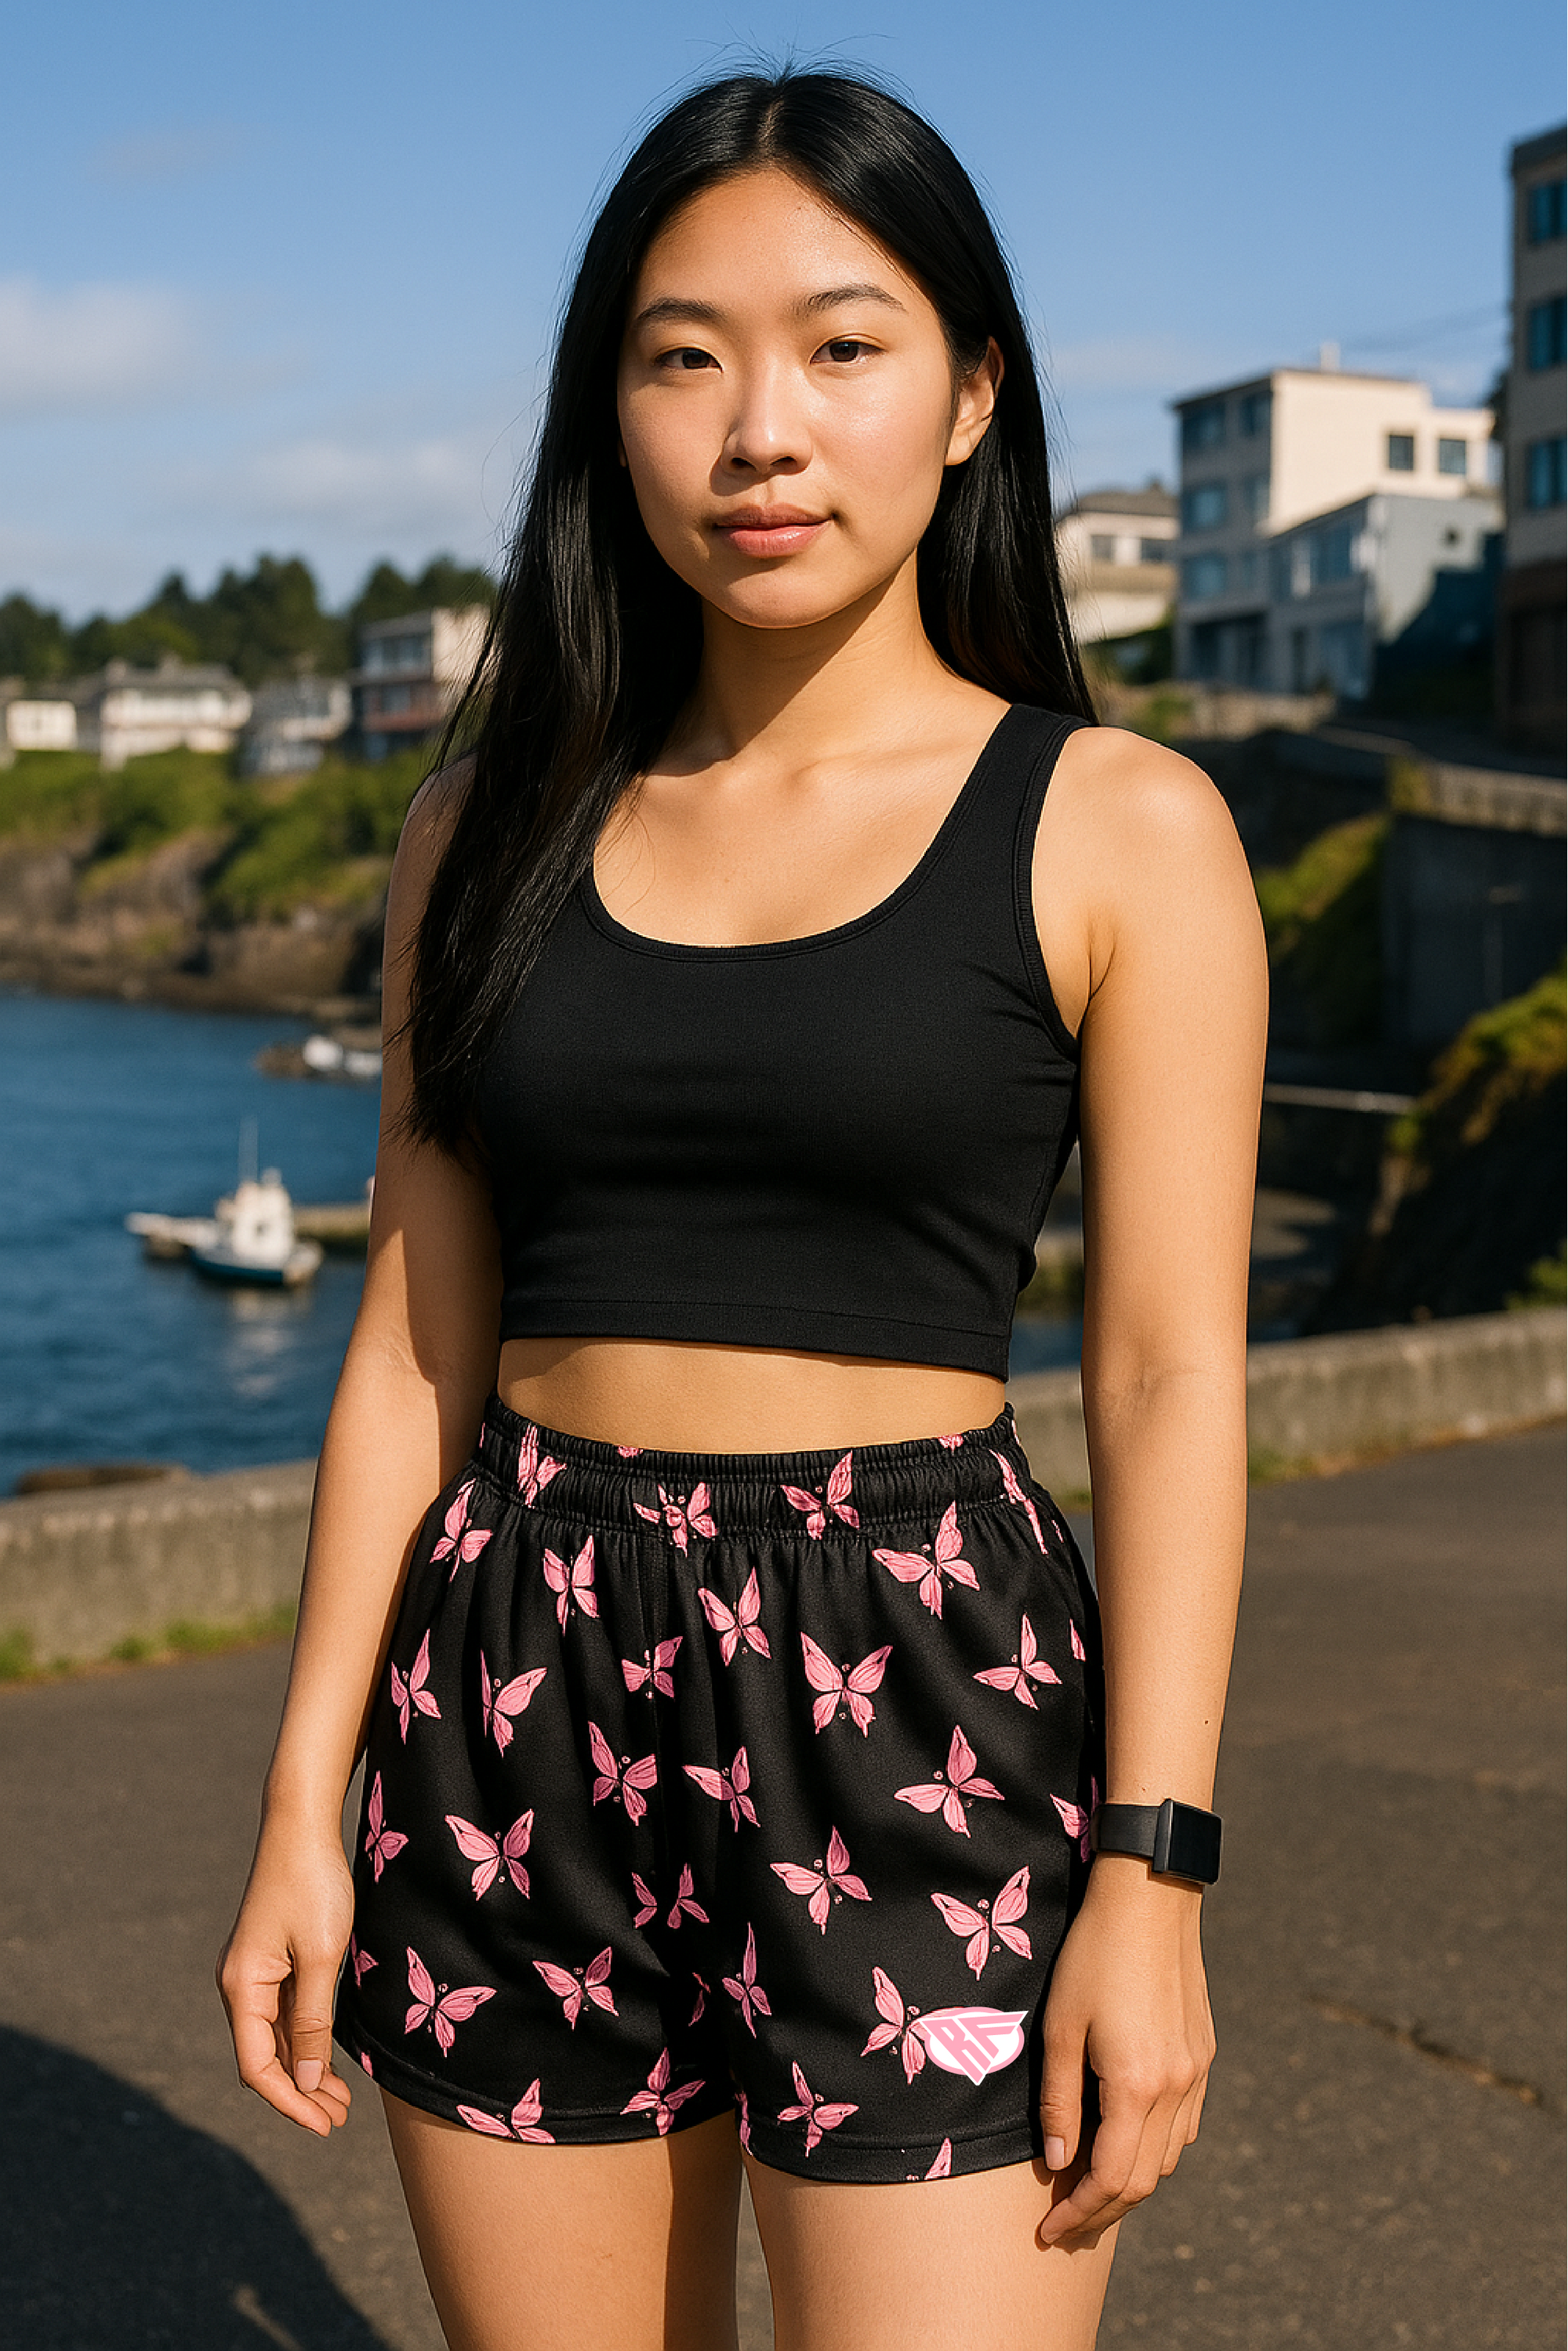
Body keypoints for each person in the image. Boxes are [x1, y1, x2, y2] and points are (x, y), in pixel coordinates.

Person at [217, 67, 1266, 2351]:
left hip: (928, 1692)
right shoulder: (479, 827)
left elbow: (1174, 1377)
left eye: (842, 344)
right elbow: (412, 1347)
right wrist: (306, 1803)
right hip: (513, 1688)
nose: (758, 429)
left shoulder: (1118, 827)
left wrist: (1151, 1872)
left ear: (975, 392)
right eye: (682, 356)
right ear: (612, 410)